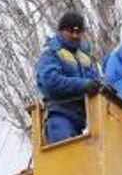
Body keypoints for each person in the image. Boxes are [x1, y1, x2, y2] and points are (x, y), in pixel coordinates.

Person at [35, 10, 103, 144]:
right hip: (60, 117)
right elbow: (50, 82)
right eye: (71, 31)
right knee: (66, 153)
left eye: (79, 32)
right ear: (61, 31)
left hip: (81, 122)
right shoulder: (50, 53)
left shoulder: (85, 57)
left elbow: (96, 81)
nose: (75, 35)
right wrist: (84, 85)